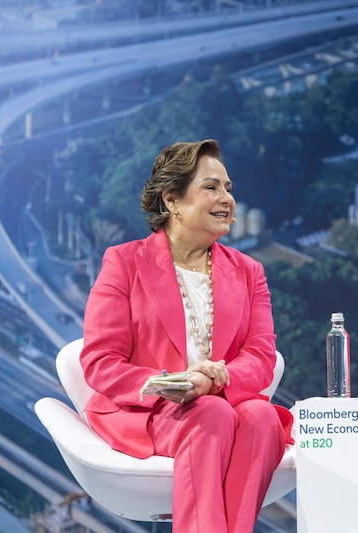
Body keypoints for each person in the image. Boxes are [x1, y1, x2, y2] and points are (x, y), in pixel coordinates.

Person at [80, 139, 293, 532]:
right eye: (211, 187)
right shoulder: (124, 262)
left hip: (221, 400)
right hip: (150, 409)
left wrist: (213, 378)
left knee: (262, 416)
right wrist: (170, 383)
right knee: (211, 413)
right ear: (173, 200)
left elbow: (261, 355)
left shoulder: (249, 271)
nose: (226, 198)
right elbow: (99, 362)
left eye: (228, 188)